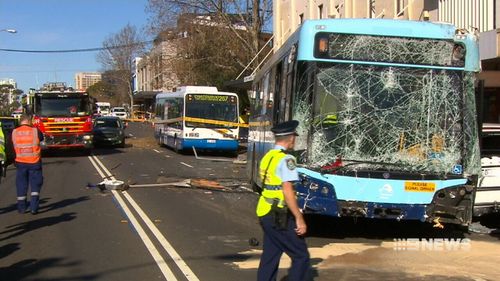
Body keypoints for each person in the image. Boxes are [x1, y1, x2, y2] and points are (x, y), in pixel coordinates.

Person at [256, 120, 310, 281]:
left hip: (264, 210)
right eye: (294, 136)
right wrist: (299, 218)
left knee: (270, 255)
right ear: (291, 138)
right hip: (279, 214)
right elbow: (287, 190)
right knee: (301, 255)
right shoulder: (288, 160)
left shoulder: (268, 157)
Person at [12, 115, 44, 214]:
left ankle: (22, 208)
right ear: (29, 121)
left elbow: (11, 146)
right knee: (35, 186)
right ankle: (33, 208)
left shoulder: (14, 132)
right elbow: (41, 139)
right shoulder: (35, 131)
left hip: (20, 162)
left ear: (20, 121)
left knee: (21, 185)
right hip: (34, 162)